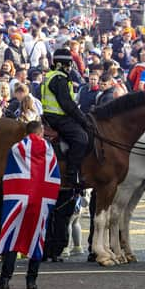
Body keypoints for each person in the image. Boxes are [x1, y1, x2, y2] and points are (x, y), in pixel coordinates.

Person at [0, 121, 60, 289]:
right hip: (40, 200)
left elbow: (10, 171)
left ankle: (5, 280)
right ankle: (32, 281)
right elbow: (53, 173)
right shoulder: (49, 148)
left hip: (19, 198)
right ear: (41, 131)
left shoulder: (17, 148)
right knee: (37, 236)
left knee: (12, 237)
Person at [41, 48, 89, 186]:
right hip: (58, 118)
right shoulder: (59, 78)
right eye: (69, 64)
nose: (70, 67)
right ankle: (71, 173)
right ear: (61, 64)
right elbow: (67, 104)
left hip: (53, 115)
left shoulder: (52, 75)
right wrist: (83, 120)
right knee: (81, 138)